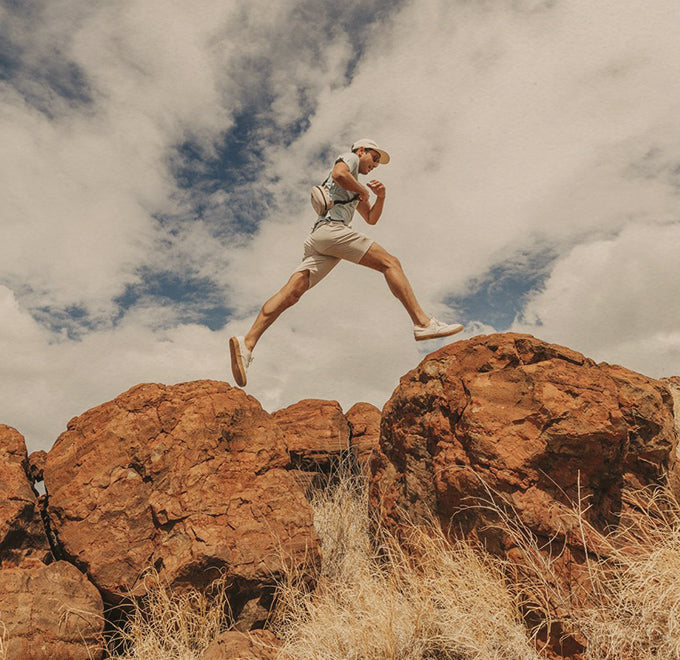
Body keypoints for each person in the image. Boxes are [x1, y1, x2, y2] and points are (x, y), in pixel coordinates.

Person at [229, 138, 463, 387]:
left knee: (292, 292)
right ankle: (422, 322)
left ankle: (248, 343)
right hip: (332, 231)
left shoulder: (355, 186)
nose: (375, 164)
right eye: (374, 157)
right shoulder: (349, 159)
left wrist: (380, 197)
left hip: (320, 239)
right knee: (391, 263)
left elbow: (371, 218)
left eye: (378, 163)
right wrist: (361, 191)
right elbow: (339, 173)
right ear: (361, 151)